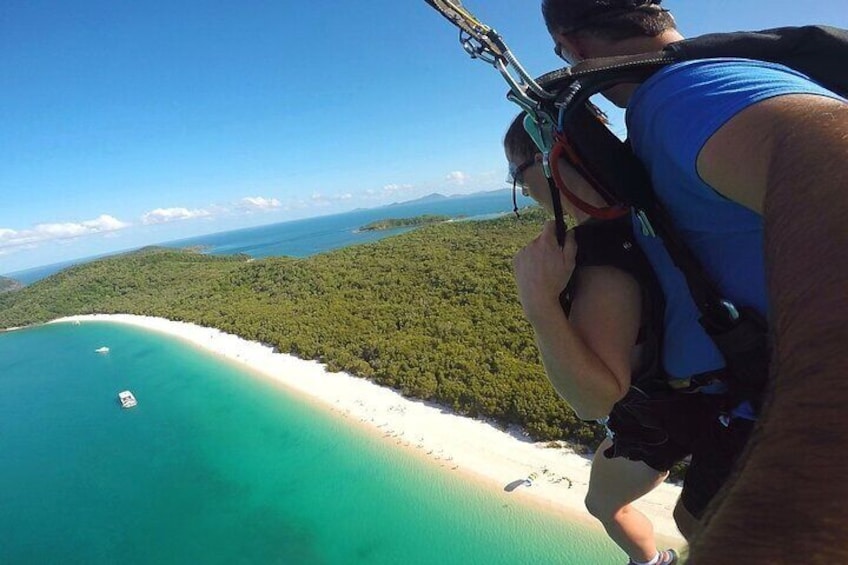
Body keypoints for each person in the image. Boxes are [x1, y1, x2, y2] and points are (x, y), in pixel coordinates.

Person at [540, 1, 848, 561]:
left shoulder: (681, 94)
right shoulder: (684, 101)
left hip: (781, 424)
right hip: (741, 405)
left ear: (573, 46)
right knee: (691, 516)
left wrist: (815, 454)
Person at [507, 111, 752, 565]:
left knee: (613, 506)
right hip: (729, 383)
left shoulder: (599, 251)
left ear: (547, 166)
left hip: (662, 413)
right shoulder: (662, 200)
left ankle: (652, 563)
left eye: (517, 176)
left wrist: (538, 303)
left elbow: (595, 399)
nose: (522, 191)